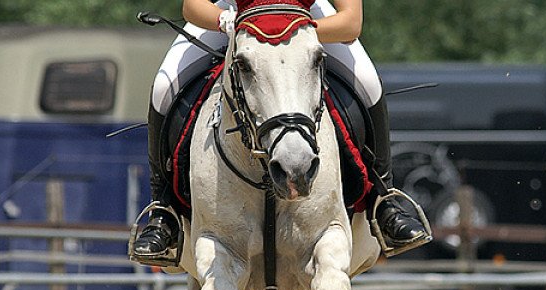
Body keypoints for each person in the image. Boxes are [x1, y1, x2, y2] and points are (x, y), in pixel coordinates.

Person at [132, 0, 428, 262]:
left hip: (308, 18)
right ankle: (163, 211)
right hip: (236, 16)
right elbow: (192, 6)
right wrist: (229, 21)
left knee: (369, 82)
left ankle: (383, 200)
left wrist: (297, 29)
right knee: (163, 86)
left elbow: (351, 21)